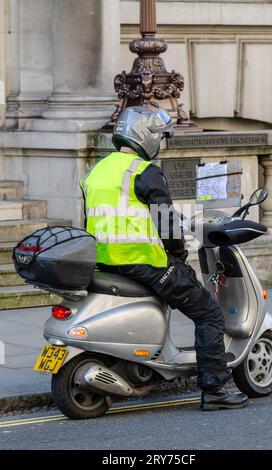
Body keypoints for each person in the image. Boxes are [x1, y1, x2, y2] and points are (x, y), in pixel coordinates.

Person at [80, 105, 248, 411]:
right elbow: (167, 224)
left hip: (104, 263)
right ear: (145, 135)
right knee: (208, 313)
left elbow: (92, 219)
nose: (160, 142)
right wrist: (179, 256)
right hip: (144, 263)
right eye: (159, 136)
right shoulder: (145, 172)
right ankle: (215, 389)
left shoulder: (95, 171)